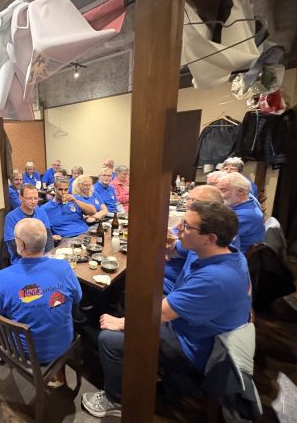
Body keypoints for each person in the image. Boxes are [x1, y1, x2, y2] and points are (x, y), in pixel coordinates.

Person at [82, 201, 251, 417]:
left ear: (210, 238)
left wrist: (122, 323)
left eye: (186, 226)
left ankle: (116, 400)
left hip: (196, 346)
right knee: (131, 296)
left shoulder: (217, 278)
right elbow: (172, 247)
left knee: (108, 338)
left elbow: (160, 315)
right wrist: (162, 242)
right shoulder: (216, 250)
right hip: (193, 325)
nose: (179, 229)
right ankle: (138, 366)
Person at [0, 219, 82, 368]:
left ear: (21, 245)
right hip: (63, 343)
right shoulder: (64, 267)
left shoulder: (2, 277)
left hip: (23, 352)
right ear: (45, 242)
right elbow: (78, 297)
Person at [163, 185, 225, 294]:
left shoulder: (210, 274)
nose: (188, 203)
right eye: (188, 199)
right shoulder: (201, 232)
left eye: (194, 201)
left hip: (173, 285)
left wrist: (172, 245)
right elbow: (173, 244)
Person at [4, 184, 55, 263]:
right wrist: (35, 259)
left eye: (36, 198)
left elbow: (48, 236)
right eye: (29, 198)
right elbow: (13, 244)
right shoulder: (11, 217)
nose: (33, 202)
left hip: (43, 257)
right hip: (22, 260)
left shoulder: (41, 212)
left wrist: (50, 256)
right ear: (21, 198)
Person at [217, 172, 265, 255]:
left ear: (240, 191)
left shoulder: (244, 216)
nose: (219, 194)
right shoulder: (247, 205)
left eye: (223, 190)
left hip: (233, 256)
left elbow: (215, 239)